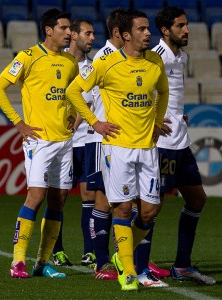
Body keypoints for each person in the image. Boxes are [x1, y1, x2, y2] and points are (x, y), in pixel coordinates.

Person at [66, 9, 169, 291]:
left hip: (147, 147)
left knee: (150, 211)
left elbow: (163, 91)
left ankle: (119, 253)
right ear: (125, 35)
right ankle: (129, 273)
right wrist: (95, 123)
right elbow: (73, 92)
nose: (149, 33)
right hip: (117, 148)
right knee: (122, 208)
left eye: (149, 29)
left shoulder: (155, 61)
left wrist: (158, 122)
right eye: (142, 29)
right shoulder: (107, 64)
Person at [0, 8, 79, 278]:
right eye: (63, 28)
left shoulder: (70, 63)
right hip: (39, 141)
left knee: (59, 200)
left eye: (69, 29)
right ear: (49, 30)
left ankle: (42, 262)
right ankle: (18, 262)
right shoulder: (27, 57)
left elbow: (73, 93)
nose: (68, 33)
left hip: (64, 142)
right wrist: (18, 122)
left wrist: (74, 115)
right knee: (36, 196)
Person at [134, 6, 216, 286]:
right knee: (149, 209)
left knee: (197, 199)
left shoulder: (181, 57)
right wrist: (151, 121)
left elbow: (170, 94)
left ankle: (181, 266)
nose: (187, 30)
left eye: (187, 24)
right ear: (165, 30)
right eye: (181, 25)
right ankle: (137, 267)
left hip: (180, 141)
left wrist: (177, 114)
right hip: (161, 144)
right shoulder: (153, 58)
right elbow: (136, 91)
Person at [85, 8, 126, 281]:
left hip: (123, 138)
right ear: (117, 33)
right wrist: (94, 123)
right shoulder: (104, 58)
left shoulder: (125, 58)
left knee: (127, 200)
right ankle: (101, 262)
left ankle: (122, 256)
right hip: (103, 140)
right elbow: (82, 94)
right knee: (104, 199)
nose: (141, 34)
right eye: (134, 30)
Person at [52, 19, 96, 268]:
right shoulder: (58, 63)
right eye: (87, 34)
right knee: (58, 197)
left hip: (86, 141)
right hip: (60, 141)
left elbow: (88, 102)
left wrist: (79, 120)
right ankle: (56, 250)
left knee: (88, 195)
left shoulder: (92, 68)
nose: (91, 39)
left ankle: (89, 251)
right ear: (75, 36)